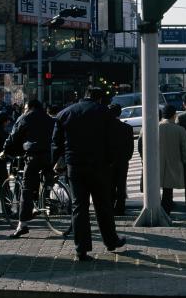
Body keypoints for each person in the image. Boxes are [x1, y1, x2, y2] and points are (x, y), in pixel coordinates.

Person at [52, 87, 125, 261]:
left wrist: (57, 162)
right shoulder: (104, 113)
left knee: (79, 207)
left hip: (74, 165)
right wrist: (111, 162)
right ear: (99, 99)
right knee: (103, 204)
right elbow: (113, 141)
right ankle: (111, 241)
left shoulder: (65, 113)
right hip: (99, 165)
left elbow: (56, 142)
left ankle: (81, 249)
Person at [1, 99, 54, 238]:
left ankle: (22, 225)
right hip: (50, 155)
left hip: (34, 155)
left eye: (25, 107)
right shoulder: (50, 119)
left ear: (30, 107)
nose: (24, 109)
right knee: (46, 178)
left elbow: (13, 136)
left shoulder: (25, 117)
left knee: (26, 188)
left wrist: (5, 150)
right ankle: (42, 201)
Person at [158, 105, 186, 214]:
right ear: (174, 115)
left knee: (156, 186)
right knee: (168, 189)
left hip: (157, 163)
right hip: (174, 161)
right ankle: (167, 210)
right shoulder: (180, 129)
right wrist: (182, 160)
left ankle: (157, 207)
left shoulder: (155, 128)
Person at [107, 104, 134, 215]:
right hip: (123, 160)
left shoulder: (105, 127)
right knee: (121, 184)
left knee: (110, 185)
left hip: (108, 161)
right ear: (120, 113)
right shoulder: (127, 128)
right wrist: (126, 158)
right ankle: (120, 207)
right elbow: (130, 147)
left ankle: (110, 206)